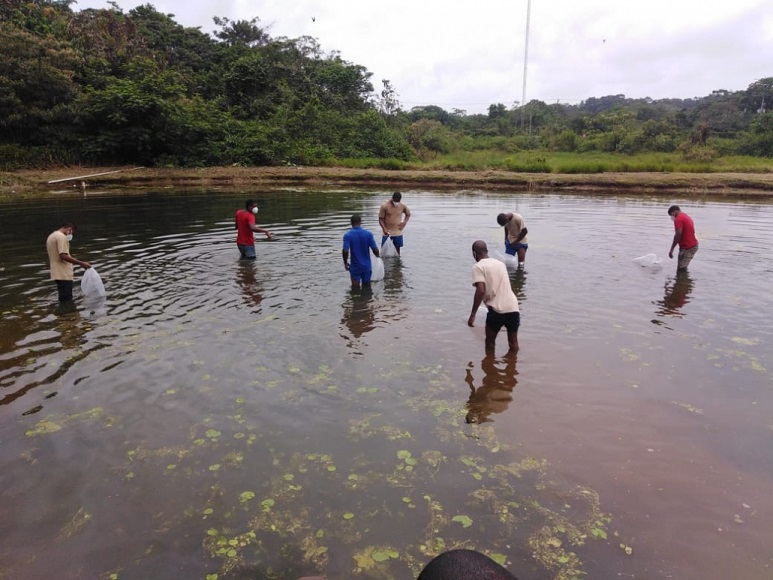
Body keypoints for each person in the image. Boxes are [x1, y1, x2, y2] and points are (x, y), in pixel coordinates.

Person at [468, 240, 520, 354]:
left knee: (490, 343)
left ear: (474, 254)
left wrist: (473, 315)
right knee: (513, 344)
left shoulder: (478, 267)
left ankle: (490, 368)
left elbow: (480, 291)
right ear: (487, 251)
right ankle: (512, 368)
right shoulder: (500, 264)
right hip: (513, 307)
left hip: (497, 310)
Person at [46, 222, 91, 303]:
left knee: (62, 297)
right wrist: (82, 263)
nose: (71, 235)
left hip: (56, 272)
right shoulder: (61, 237)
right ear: (69, 229)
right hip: (63, 273)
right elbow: (63, 255)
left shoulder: (52, 236)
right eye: (71, 233)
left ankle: (62, 314)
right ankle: (67, 314)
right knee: (67, 299)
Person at [342, 214, 380, 289]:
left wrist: (345, 262)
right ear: (360, 222)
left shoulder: (347, 235)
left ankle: (356, 299)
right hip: (366, 267)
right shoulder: (368, 234)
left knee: (355, 290)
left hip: (355, 267)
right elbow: (375, 250)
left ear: (351, 223)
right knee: (367, 289)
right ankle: (367, 300)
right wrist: (378, 257)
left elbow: (345, 251)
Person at [667, 205, 698, 271]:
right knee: (682, 268)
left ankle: (683, 281)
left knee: (681, 270)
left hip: (688, 248)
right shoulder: (685, 216)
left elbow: (678, 234)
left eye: (671, 215)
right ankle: (682, 281)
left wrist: (672, 249)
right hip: (692, 245)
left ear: (673, 212)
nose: (672, 217)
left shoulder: (678, 219)